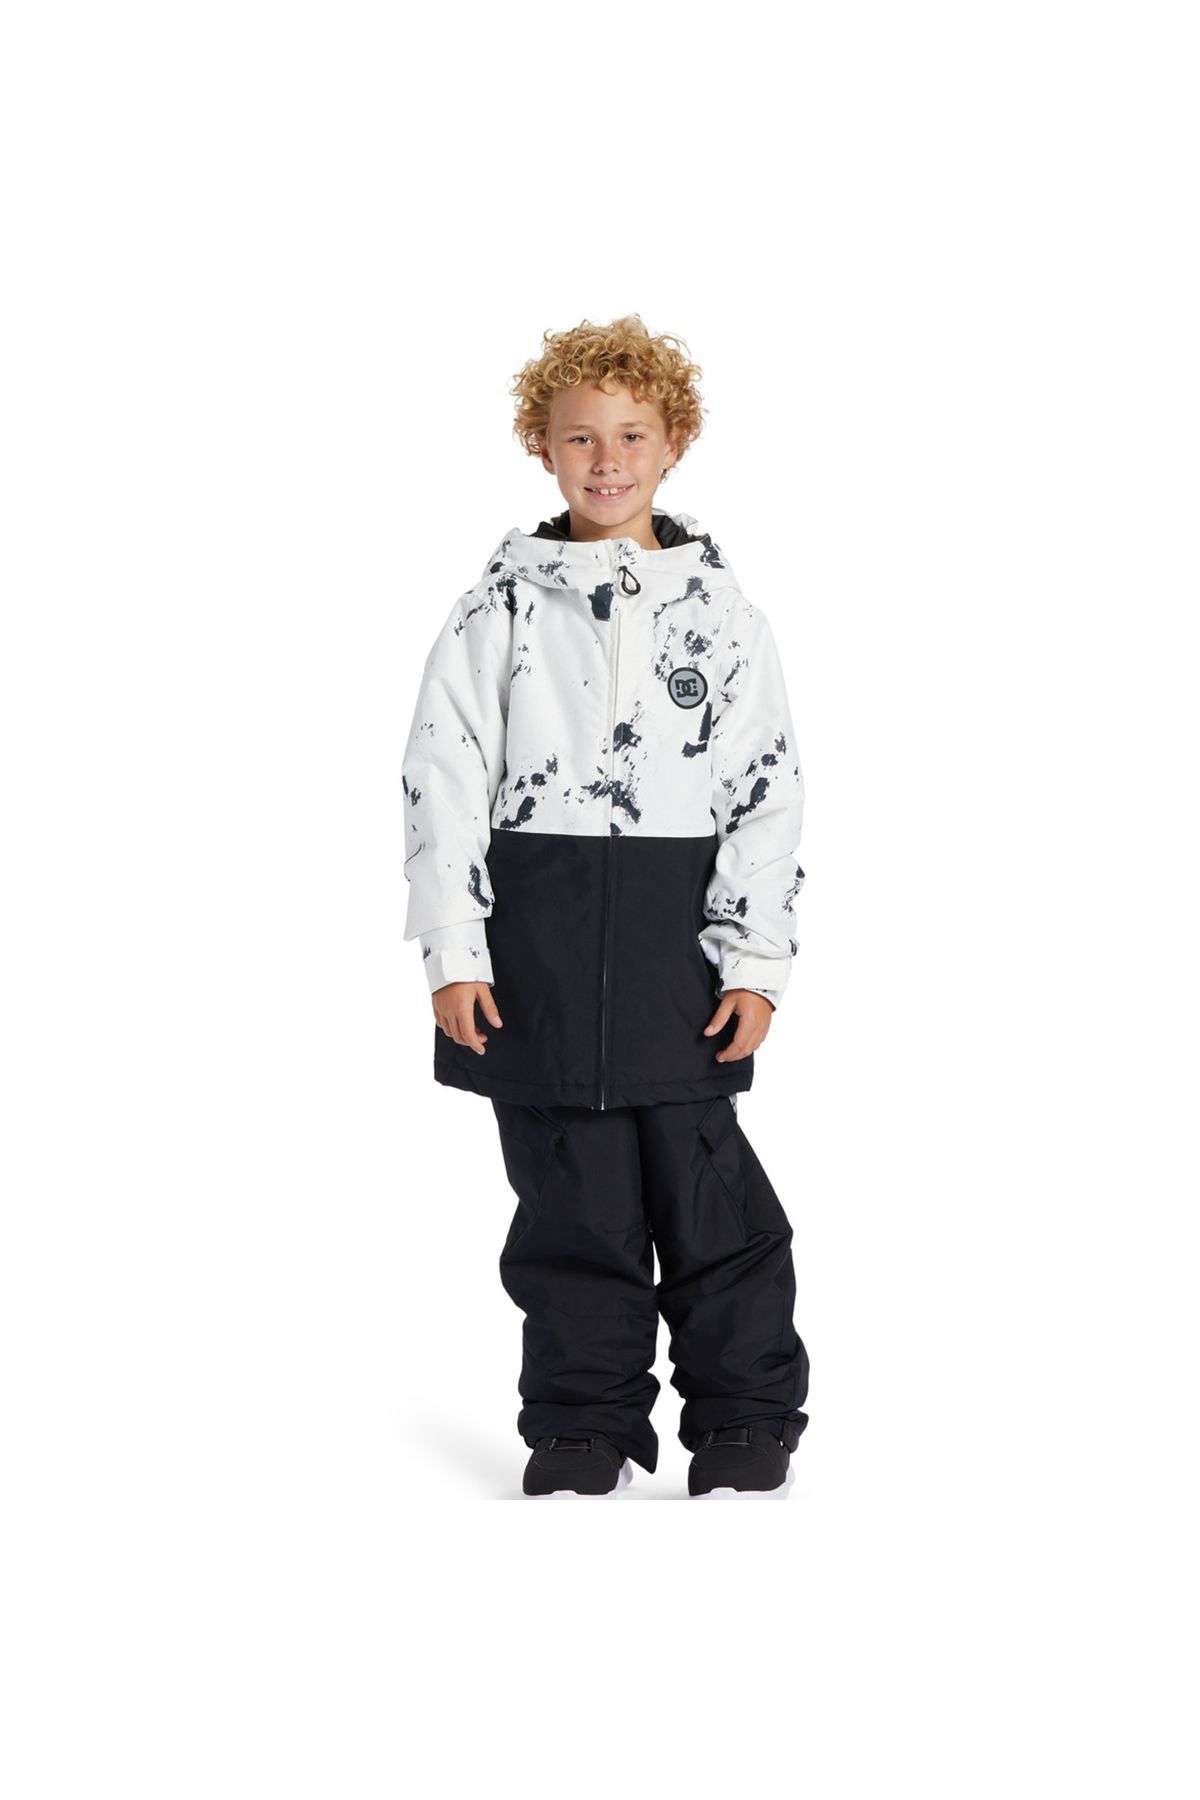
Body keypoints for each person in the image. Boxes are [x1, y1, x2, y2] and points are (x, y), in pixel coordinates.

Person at [401, 315, 810, 1498]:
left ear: (674, 443)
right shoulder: (497, 612)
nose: (607, 459)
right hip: (533, 955)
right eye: (580, 436)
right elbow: (441, 777)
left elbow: (766, 794)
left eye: (632, 435)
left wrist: (755, 964)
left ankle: (745, 1418)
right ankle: (582, 1427)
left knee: (712, 1204)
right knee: (570, 1210)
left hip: (675, 964)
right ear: (542, 447)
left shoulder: (723, 618)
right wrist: (453, 949)